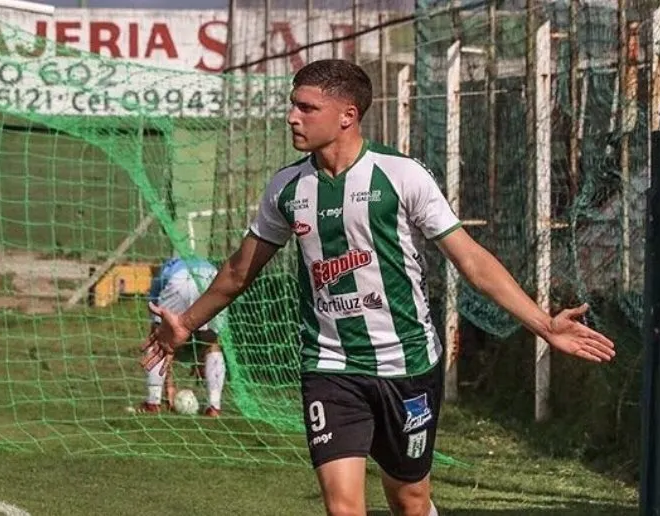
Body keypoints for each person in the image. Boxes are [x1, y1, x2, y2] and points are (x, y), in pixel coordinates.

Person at [140, 59, 615, 516]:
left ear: (348, 115)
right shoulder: (287, 188)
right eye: (293, 105)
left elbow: (471, 261)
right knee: (343, 506)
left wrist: (543, 323)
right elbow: (238, 271)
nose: (292, 117)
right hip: (330, 364)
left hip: (405, 364)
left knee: (408, 500)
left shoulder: (401, 175)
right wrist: (185, 323)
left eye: (306, 108)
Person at [133, 255, 227, 417]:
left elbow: (157, 331)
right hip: (211, 280)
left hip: (178, 282)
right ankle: (214, 407)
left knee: (159, 340)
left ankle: (153, 403)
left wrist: (169, 386)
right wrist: (200, 357)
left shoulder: (164, 269)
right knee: (212, 343)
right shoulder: (206, 262)